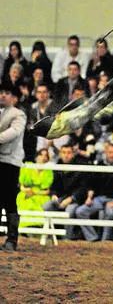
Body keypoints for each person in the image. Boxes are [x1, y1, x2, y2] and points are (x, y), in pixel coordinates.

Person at [75, 142, 113, 242]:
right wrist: (89, 198)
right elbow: (92, 184)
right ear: (106, 152)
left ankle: (105, 241)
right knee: (80, 211)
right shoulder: (99, 164)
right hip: (99, 198)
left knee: (110, 212)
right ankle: (93, 239)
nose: (112, 155)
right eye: (110, 152)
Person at [0, 84, 27, 251]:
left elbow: (14, 132)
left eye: (7, 93)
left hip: (10, 162)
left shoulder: (18, 114)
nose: (3, 96)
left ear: (14, 97)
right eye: (1, 93)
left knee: (9, 200)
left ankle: (12, 239)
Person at [43, 143, 89, 240]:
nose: (66, 155)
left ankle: (67, 239)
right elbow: (54, 185)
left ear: (73, 154)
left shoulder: (80, 166)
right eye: (63, 152)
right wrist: (54, 195)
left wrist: (71, 199)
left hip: (77, 199)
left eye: (69, 153)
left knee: (70, 210)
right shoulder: (57, 166)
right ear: (60, 154)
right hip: (61, 197)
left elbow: (83, 189)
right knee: (47, 206)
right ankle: (51, 237)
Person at [16, 148, 54, 227]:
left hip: (41, 195)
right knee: (21, 200)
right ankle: (22, 228)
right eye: (41, 155)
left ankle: (35, 226)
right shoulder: (27, 166)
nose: (43, 157)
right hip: (26, 192)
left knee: (40, 206)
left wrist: (34, 192)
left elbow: (47, 191)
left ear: (47, 159)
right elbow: (21, 185)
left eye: (45, 156)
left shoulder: (49, 171)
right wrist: (26, 190)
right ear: (36, 157)